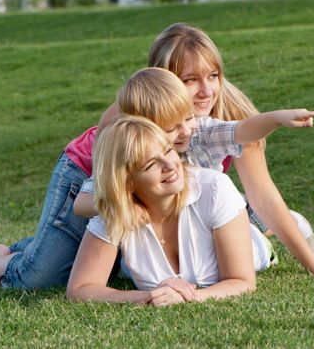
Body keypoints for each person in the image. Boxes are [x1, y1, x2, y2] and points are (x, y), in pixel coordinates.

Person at [88, 22, 314, 275]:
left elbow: (262, 191)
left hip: (204, 215)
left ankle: (261, 232)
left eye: (213, 76)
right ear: (163, 81)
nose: (207, 91)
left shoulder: (204, 130)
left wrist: (277, 118)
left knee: (229, 249)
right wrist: (129, 205)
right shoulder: (127, 123)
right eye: (190, 80)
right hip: (133, 203)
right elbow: (96, 192)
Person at [67, 116, 276, 305]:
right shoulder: (117, 208)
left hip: (250, 240)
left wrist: (186, 298)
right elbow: (80, 288)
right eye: (150, 164)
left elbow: (241, 281)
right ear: (127, 182)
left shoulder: (215, 187)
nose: (170, 165)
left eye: (167, 150)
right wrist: (147, 296)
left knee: (262, 233)